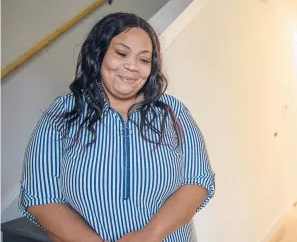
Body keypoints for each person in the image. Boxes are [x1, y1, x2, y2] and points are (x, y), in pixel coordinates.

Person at [18, 12, 216, 242]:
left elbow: (198, 181)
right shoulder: (61, 115)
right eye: (121, 53)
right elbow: (41, 197)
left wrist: (149, 235)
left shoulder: (173, 113)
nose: (132, 66)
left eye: (144, 60)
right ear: (98, 54)